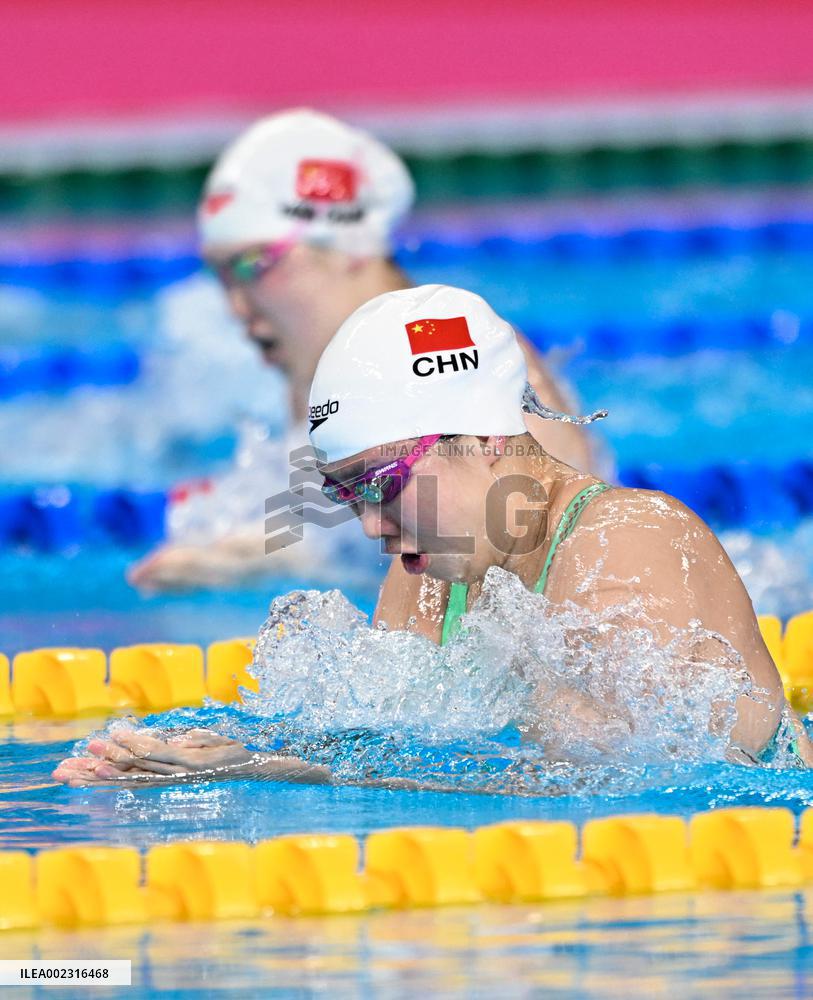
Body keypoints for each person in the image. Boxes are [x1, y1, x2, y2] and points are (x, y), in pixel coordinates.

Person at [54, 284, 810, 788]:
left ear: (480, 437)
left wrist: (274, 770)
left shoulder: (630, 537)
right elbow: (391, 742)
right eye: (342, 494)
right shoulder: (430, 576)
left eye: (382, 485)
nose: (371, 526)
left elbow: (607, 776)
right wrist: (212, 756)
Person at [130, 109, 598, 590]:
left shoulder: (473, 372)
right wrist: (251, 554)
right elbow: (335, 536)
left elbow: (550, 579)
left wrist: (258, 563)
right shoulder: (325, 370)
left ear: (348, 244)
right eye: (221, 275)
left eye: (253, 265)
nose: (234, 306)